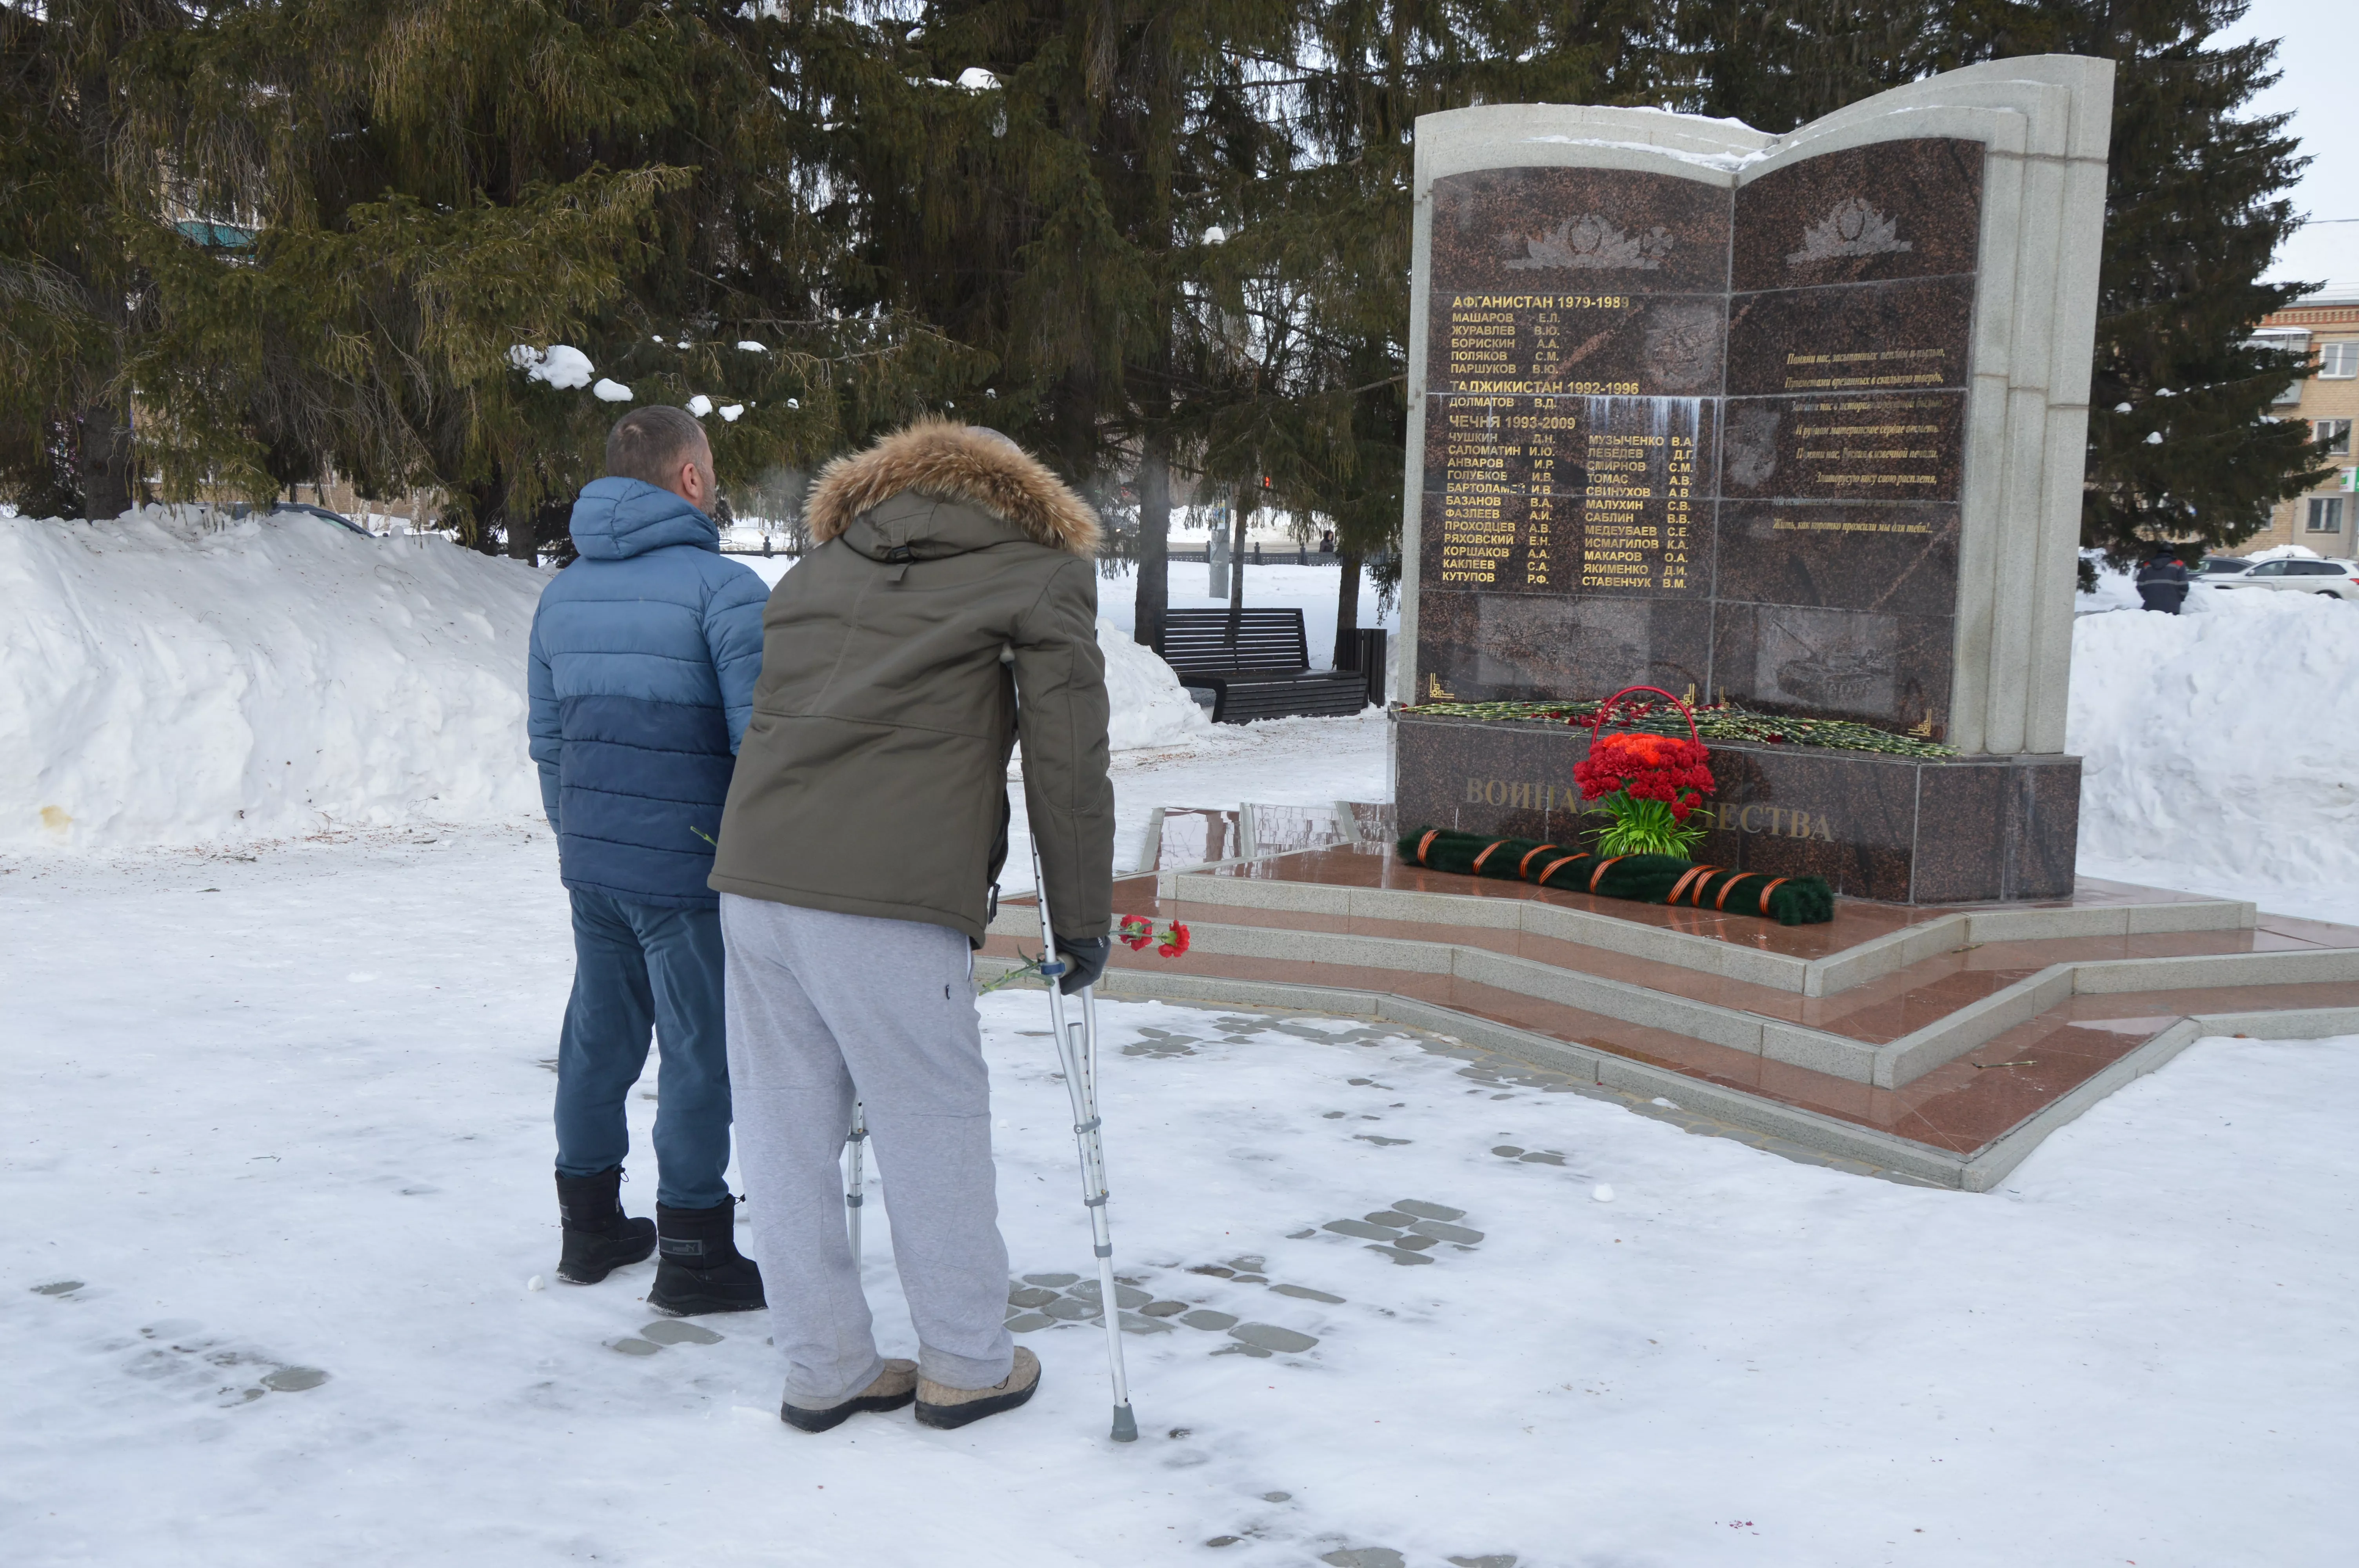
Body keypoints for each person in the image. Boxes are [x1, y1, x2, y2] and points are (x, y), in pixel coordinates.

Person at [708, 417, 1114, 1434]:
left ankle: (825, 1368)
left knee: (782, 1128)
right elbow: (1068, 765)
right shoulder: (1036, 572)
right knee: (930, 1119)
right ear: (1014, 491)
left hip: (757, 880)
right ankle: (970, 1363)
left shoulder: (818, 572)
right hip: (883, 895)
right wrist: (1080, 923)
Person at [527, 406, 770, 1315]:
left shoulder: (563, 593)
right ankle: (696, 1246)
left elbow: (548, 739)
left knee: (600, 1033)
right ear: (691, 481)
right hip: (693, 868)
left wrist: (577, 835)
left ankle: (588, 1226)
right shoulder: (727, 591)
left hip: (595, 861)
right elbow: (764, 749)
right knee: (701, 1047)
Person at [2135, 543, 2189, 613]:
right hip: (2173, 606)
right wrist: (2180, 598)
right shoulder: (2179, 564)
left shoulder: (2147, 565)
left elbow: (2140, 585)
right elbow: (2184, 585)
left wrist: (2147, 597)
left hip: (2151, 605)